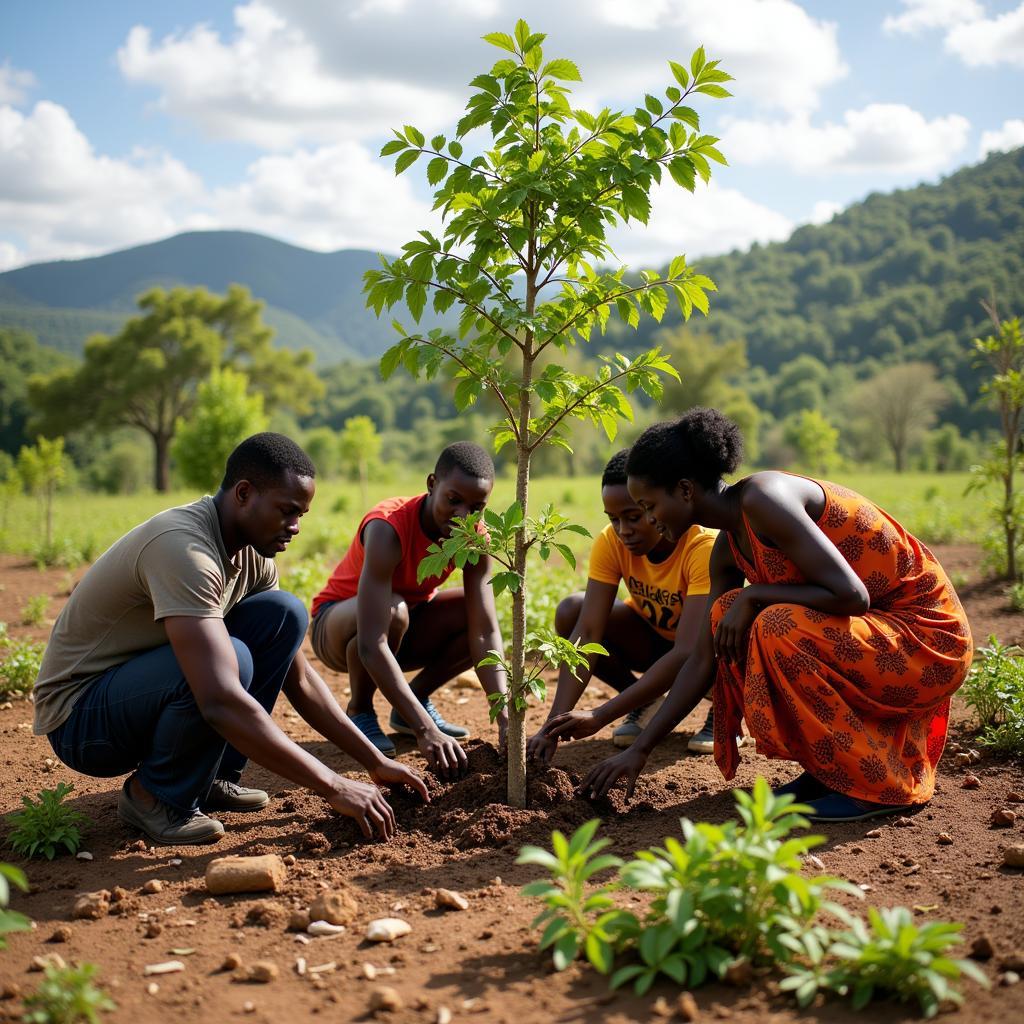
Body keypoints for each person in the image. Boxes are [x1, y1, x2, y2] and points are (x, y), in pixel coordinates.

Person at [543, 409, 972, 823]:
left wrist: (756, 597)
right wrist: (634, 743)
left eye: (649, 505)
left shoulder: (765, 499)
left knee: (772, 624)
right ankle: (832, 772)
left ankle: (876, 788)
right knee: (730, 614)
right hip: (876, 639)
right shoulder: (728, 547)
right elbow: (698, 658)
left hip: (927, 641)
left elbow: (851, 596)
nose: (650, 519)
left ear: (686, 490)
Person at [33, 433, 427, 846]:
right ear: (244, 494)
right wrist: (333, 786)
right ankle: (156, 795)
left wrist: (374, 761)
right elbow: (219, 698)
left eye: (302, 515)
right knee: (230, 661)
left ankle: (211, 777)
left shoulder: (251, 552)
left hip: (138, 688)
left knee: (282, 614)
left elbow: (299, 677)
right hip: (81, 717)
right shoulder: (185, 550)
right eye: (287, 511)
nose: (295, 527)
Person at [310, 442, 508, 777]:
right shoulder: (388, 527)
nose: (463, 516)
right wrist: (425, 731)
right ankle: (360, 710)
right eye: (453, 500)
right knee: (392, 610)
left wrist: (505, 719)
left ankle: (412, 703)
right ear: (432, 484)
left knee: (470, 613)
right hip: (338, 627)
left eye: (476, 507)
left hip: (403, 625)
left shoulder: (474, 537)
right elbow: (372, 644)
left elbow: (485, 630)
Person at [527, 448, 724, 763]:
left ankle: (726, 710)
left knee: (735, 628)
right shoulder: (612, 542)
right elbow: (588, 631)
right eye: (614, 519)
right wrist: (553, 724)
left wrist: (600, 714)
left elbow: (688, 651)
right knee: (572, 611)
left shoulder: (702, 545)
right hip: (658, 643)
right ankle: (644, 701)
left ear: (655, 504)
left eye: (634, 516)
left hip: (709, 653)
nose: (623, 531)